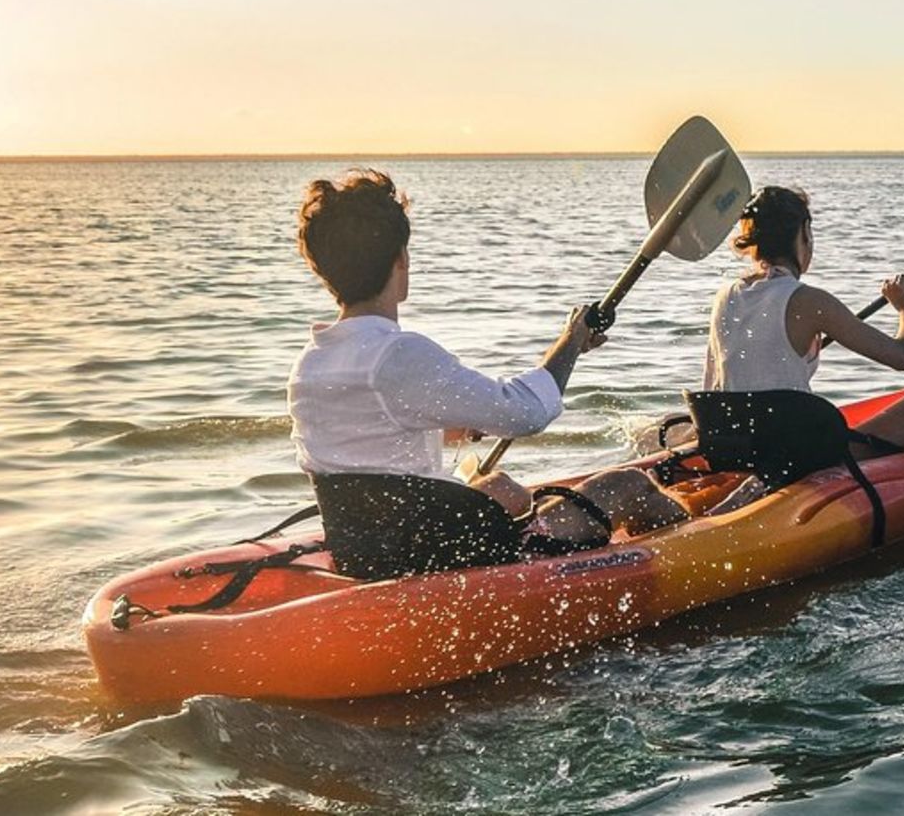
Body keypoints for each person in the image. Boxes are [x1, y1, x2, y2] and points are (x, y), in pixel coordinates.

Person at [288, 170, 687, 572]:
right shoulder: (397, 354)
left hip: (369, 554)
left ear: (324, 271)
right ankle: (703, 540)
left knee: (498, 487)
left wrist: (453, 427)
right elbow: (524, 413)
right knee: (628, 486)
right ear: (401, 260)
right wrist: (571, 340)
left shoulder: (311, 363)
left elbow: (371, 442)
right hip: (444, 560)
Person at [700, 185, 904, 511]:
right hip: (794, 456)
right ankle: (776, 480)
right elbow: (903, 357)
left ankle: (756, 479)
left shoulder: (724, 296)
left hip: (734, 446)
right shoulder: (809, 301)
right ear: (803, 233)